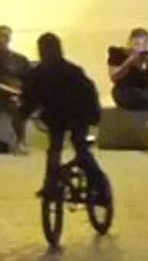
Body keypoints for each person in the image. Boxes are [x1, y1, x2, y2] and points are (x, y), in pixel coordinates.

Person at [20, 30, 104, 207]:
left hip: (62, 117)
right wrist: (94, 116)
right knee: (80, 149)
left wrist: (22, 115)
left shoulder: (38, 74)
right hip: (76, 116)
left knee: (55, 150)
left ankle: (51, 185)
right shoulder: (73, 71)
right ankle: (100, 185)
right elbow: (90, 93)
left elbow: (30, 99)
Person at [0, 24, 35, 152]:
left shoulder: (20, 59)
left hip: (13, 94)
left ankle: (20, 141)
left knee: (18, 105)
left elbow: (30, 80)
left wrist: (20, 91)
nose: (2, 39)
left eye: (5, 36)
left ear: (10, 38)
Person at [108, 29, 148, 114]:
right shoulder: (118, 54)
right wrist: (129, 62)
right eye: (136, 44)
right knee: (143, 98)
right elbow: (114, 77)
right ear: (129, 41)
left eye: (144, 44)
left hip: (145, 89)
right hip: (125, 89)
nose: (139, 47)